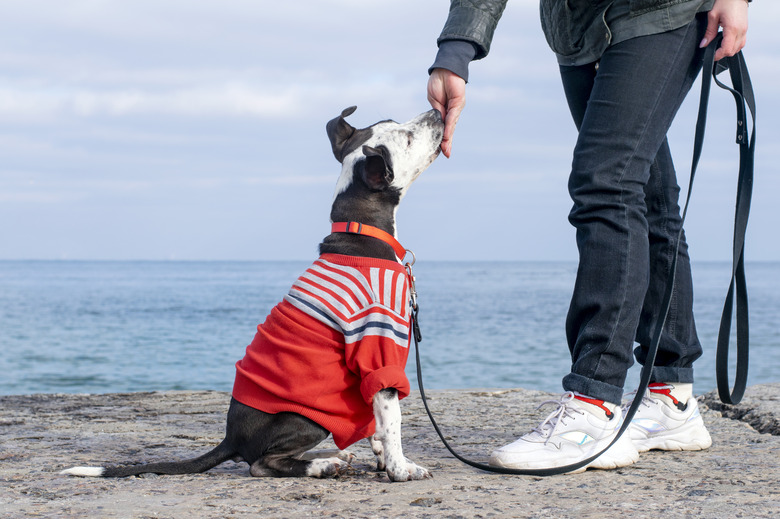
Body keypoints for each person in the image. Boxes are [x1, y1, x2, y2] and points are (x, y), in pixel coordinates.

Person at [427, 0, 750, 472]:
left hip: (663, 10)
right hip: (577, 29)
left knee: (605, 183)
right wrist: (456, 49)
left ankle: (593, 407)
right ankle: (670, 396)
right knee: (646, 195)